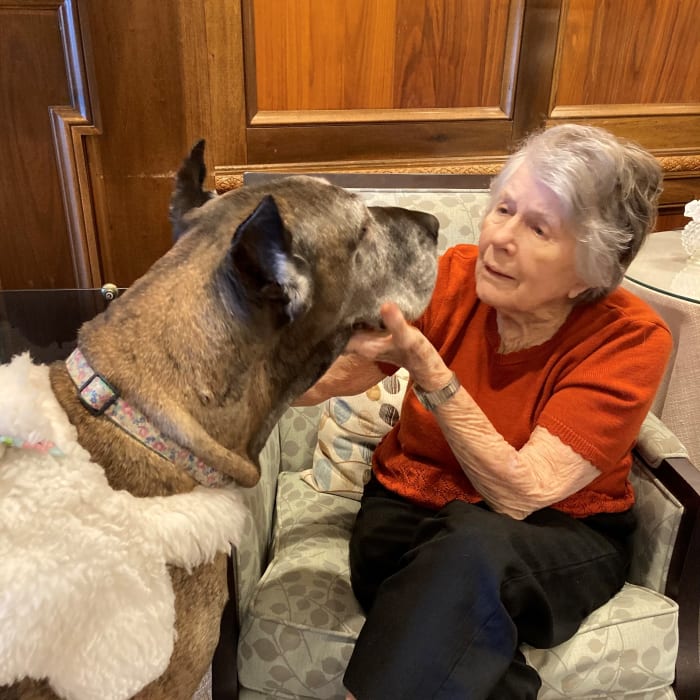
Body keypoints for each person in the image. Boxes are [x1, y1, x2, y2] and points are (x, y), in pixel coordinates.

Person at [296, 124, 672, 699]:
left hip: (557, 537)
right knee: (471, 637)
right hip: (406, 516)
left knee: (473, 545)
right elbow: (327, 379)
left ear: (589, 272)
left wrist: (431, 371)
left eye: (538, 228)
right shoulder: (451, 278)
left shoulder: (629, 339)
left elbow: (521, 494)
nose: (501, 237)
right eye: (503, 208)